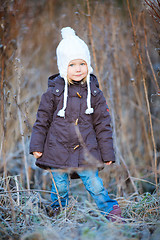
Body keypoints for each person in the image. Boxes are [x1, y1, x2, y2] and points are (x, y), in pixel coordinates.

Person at [29, 27, 122, 222]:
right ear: (64, 67)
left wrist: (107, 153)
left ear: (88, 65)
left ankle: (111, 211)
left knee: (95, 184)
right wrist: (36, 145)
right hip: (57, 150)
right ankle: (57, 214)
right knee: (60, 187)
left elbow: (103, 126)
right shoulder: (53, 94)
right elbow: (42, 121)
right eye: (72, 64)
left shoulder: (95, 95)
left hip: (87, 151)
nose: (78, 69)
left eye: (82, 63)